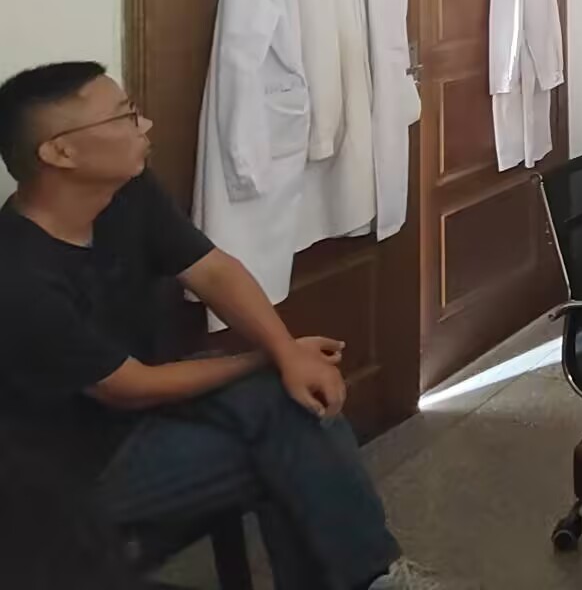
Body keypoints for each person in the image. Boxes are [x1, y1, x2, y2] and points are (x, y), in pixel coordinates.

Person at [0, 62, 433, 590]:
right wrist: (269, 356)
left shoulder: (125, 194)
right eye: (125, 116)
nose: (145, 124)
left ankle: (372, 579)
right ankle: (373, 579)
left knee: (295, 407)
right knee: (299, 456)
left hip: (145, 412)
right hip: (73, 468)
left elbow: (211, 270)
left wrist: (286, 353)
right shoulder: (18, 274)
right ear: (60, 152)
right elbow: (129, 386)